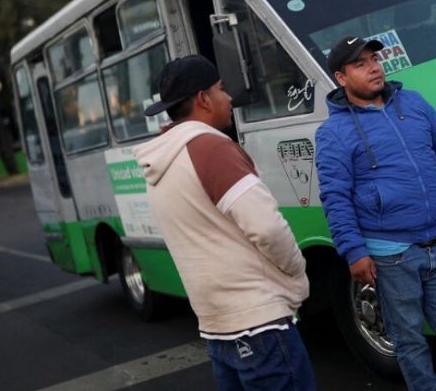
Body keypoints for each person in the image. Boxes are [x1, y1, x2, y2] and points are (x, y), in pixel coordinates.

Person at [314, 36, 436, 391]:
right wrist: (355, 251)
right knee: (409, 342)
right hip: (390, 257)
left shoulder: (413, 103)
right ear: (341, 77)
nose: (374, 68)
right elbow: (335, 198)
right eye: (360, 64)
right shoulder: (333, 133)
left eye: (374, 59)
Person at [133, 55, 315, 391]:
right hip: (261, 322)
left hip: (217, 327)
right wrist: (297, 273)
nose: (229, 97)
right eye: (221, 89)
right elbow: (267, 228)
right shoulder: (211, 149)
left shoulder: (158, 161)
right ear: (203, 99)